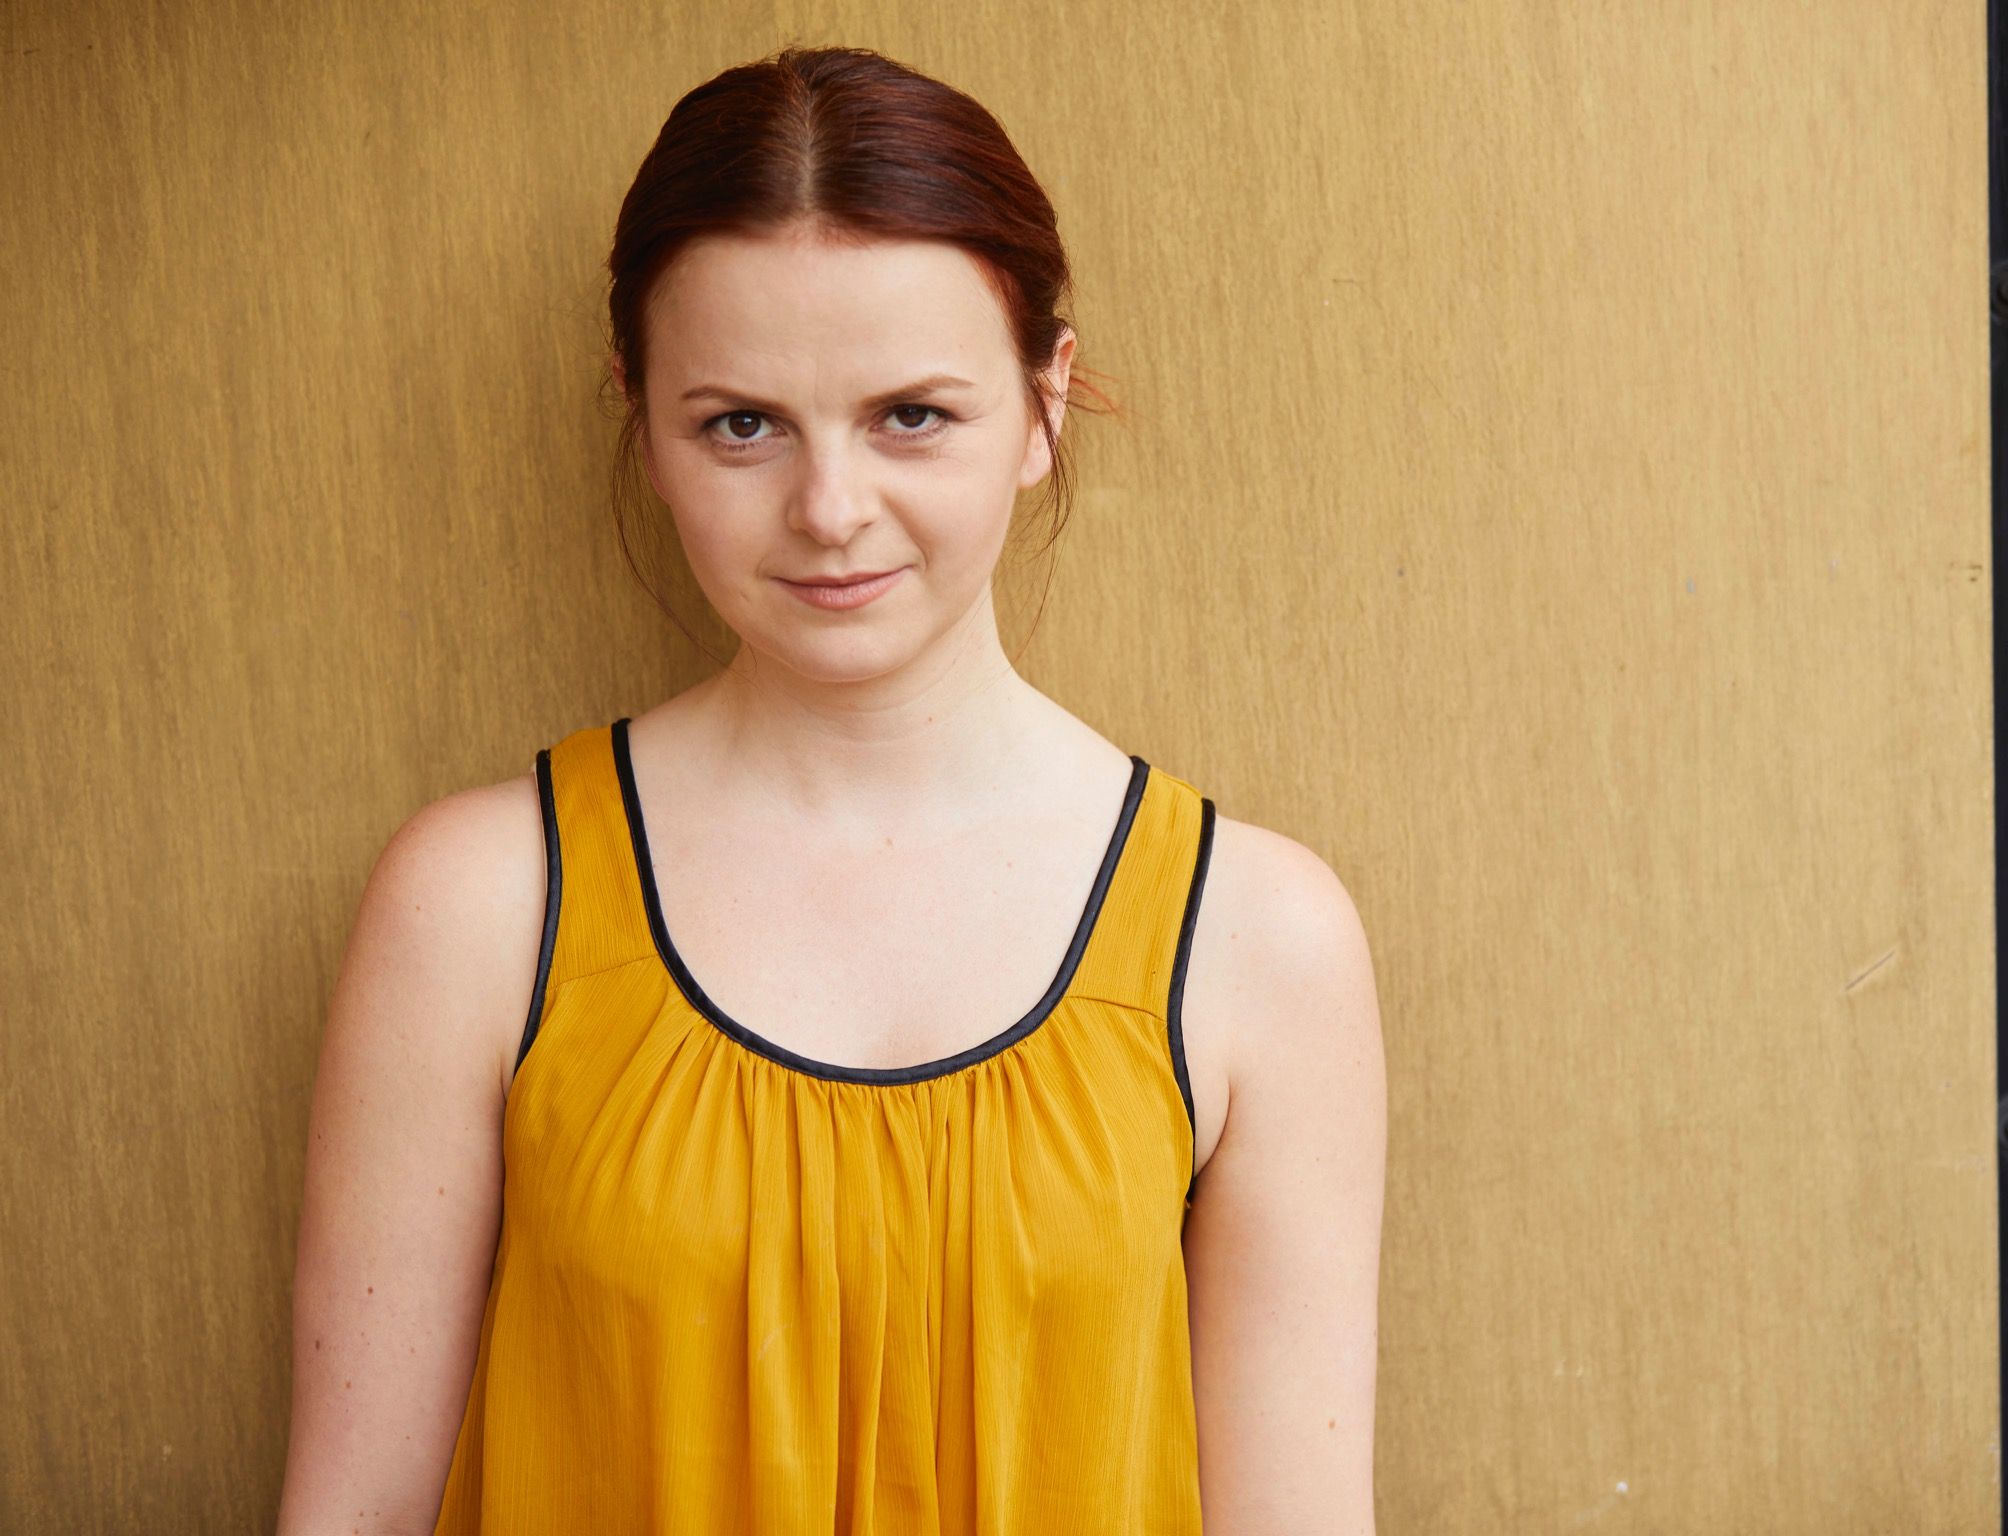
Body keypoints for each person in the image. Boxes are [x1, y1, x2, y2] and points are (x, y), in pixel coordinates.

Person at [276, 44, 1384, 1535]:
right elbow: (353, 1513)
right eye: (741, 423)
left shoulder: (1257, 934)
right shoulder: (479, 904)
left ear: (1046, 405)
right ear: (643, 421)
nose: (830, 510)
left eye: (911, 414)